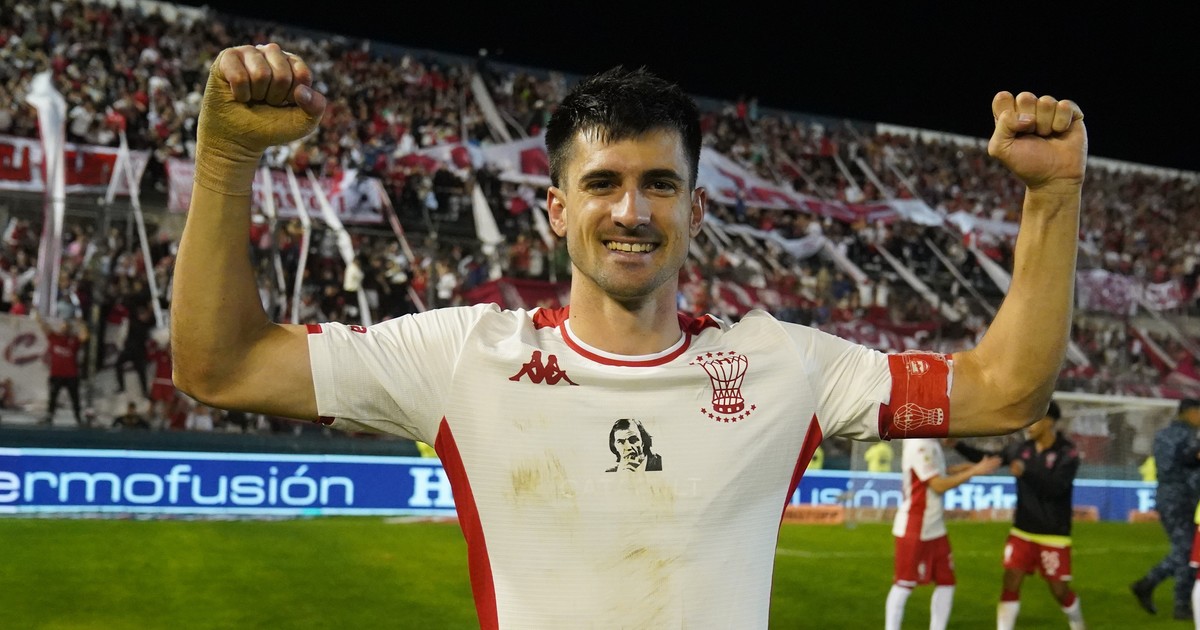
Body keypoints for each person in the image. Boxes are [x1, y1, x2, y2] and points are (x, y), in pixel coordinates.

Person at [171, 43, 1086, 628]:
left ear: (697, 209)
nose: (632, 211)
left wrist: (1051, 199)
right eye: (603, 183)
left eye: (659, 185)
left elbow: (1005, 391)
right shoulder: (462, 358)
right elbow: (222, 364)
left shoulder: (785, 366)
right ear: (556, 209)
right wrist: (226, 160)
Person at [954, 400, 1086, 629]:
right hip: (1022, 531)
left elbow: (1057, 488)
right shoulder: (1020, 449)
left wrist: (1027, 473)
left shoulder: (1068, 453)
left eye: (1033, 420)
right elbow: (988, 457)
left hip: (1053, 534)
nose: (1028, 425)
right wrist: (958, 445)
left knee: (1059, 590)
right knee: (1011, 580)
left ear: (1049, 422)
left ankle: (1078, 623)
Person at [885, 438, 1001, 630]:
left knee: (946, 581)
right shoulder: (919, 444)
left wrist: (968, 468)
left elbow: (938, 471)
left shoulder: (931, 442)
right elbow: (937, 484)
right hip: (915, 526)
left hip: (935, 526)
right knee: (904, 584)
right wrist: (972, 471)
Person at [1132, 398, 1200, 620]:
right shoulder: (1188, 436)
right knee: (1187, 551)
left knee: (1185, 549)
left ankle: (1153, 587)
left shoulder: (1163, 434)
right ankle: (1176, 600)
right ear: (1189, 412)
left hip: (1167, 495)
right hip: (1182, 497)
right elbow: (1189, 460)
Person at [34, 311, 89, 426]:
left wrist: (81, 323)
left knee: (75, 398)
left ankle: (78, 418)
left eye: (66, 327)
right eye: (62, 326)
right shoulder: (54, 338)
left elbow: (85, 336)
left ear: (69, 329)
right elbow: (44, 327)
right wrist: (38, 317)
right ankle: (49, 417)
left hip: (71, 375)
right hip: (56, 374)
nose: (64, 329)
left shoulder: (73, 340)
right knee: (53, 398)